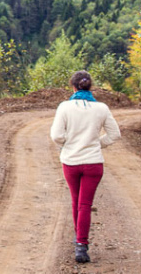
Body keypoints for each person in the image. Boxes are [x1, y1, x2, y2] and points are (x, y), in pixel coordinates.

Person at [50, 70, 120, 263]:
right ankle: (81, 244)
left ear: (73, 87)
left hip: (71, 161)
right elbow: (115, 134)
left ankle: (79, 239)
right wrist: (97, 143)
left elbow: (56, 135)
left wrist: (69, 142)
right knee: (85, 204)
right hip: (93, 162)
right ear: (90, 87)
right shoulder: (102, 108)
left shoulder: (64, 107)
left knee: (75, 200)